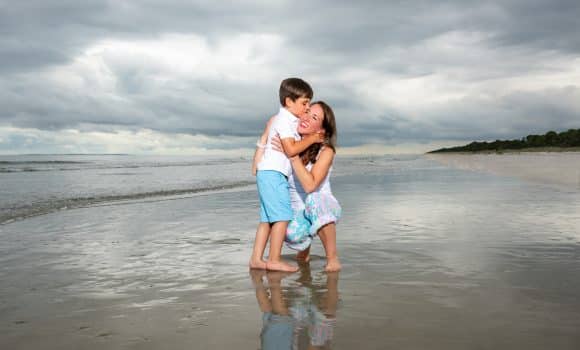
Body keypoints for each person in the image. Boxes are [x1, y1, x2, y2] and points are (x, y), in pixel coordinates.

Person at [253, 101, 342, 272]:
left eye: (314, 117)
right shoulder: (290, 142)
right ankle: (304, 251)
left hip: (322, 204)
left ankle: (332, 258)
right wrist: (265, 136)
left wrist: (292, 157)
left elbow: (310, 186)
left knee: (315, 201)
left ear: (321, 130)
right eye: (307, 112)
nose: (307, 117)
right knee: (286, 229)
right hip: (298, 209)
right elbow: (257, 168)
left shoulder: (326, 151)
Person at [249, 78, 325, 272]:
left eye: (309, 103)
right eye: (304, 103)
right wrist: (313, 139)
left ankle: (256, 259)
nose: (307, 108)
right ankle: (273, 259)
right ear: (289, 102)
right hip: (273, 173)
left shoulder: (288, 119)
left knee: (267, 219)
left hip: (270, 173)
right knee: (282, 217)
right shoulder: (283, 120)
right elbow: (291, 149)